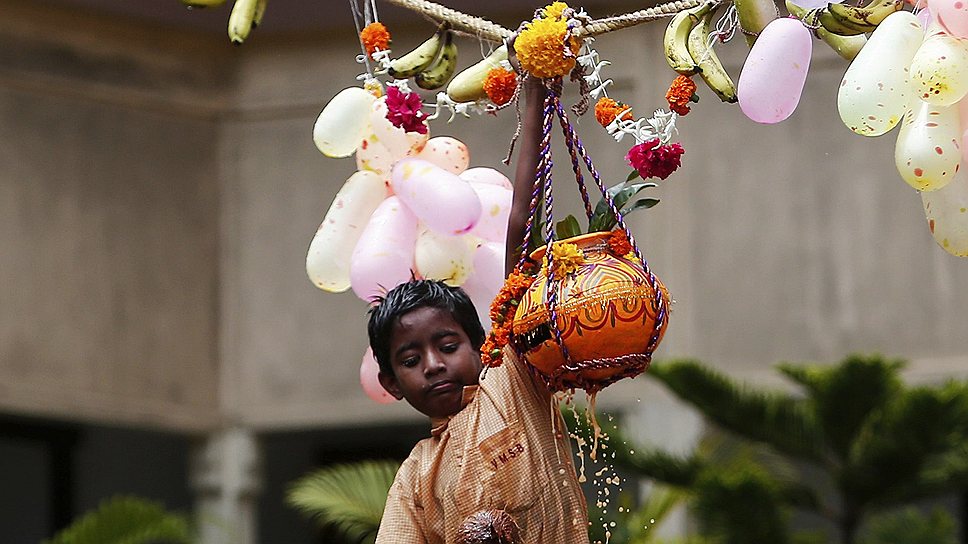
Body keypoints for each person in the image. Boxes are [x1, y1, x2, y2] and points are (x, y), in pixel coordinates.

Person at [367, 62, 591, 543]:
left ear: (481, 345)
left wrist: (535, 102)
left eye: (447, 345)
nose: (432, 365)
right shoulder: (415, 480)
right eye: (410, 359)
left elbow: (520, 239)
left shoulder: (511, 384)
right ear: (391, 382)